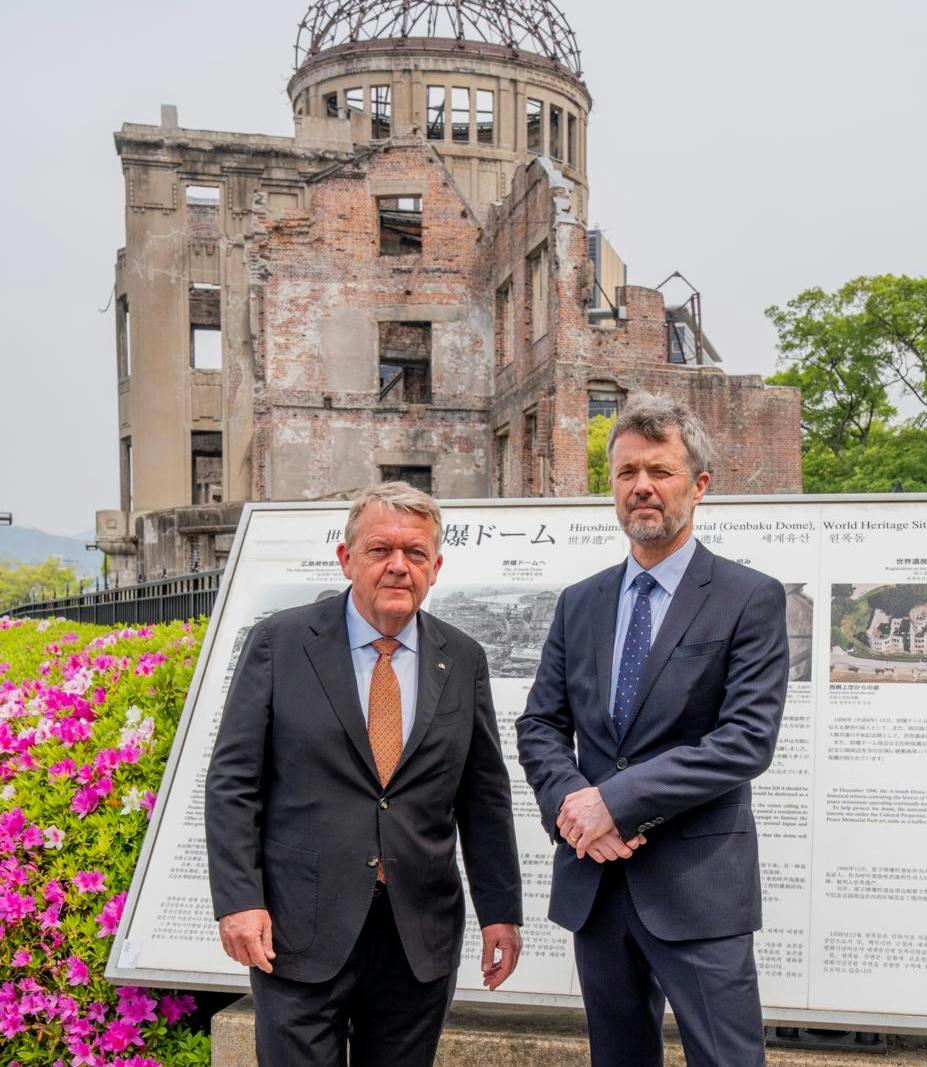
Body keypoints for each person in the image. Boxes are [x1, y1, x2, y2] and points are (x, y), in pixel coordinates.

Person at [205, 483, 523, 1067]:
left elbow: (483, 798)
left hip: (417, 935)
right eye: (380, 550)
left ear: (436, 567)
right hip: (297, 931)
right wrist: (238, 900)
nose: (399, 566)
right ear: (346, 559)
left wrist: (501, 913)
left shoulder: (464, 658)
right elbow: (233, 781)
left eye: (416, 553)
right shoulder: (280, 643)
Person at [516, 394, 788, 1067]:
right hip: (596, 883)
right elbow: (540, 723)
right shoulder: (580, 601)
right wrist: (575, 812)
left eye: (660, 471)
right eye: (626, 471)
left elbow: (746, 738)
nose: (641, 485)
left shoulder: (747, 598)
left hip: (697, 889)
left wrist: (615, 800)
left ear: (698, 486)